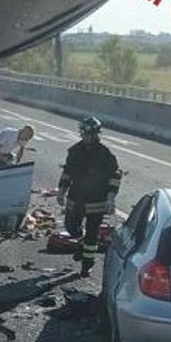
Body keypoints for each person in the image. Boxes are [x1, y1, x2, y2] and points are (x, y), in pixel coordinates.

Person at [56, 117, 121, 277]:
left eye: (89, 134)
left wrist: (110, 197)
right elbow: (67, 172)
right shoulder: (74, 151)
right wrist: (61, 191)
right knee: (71, 227)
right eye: (84, 134)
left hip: (96, 200)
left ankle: (87, 265)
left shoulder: (105, 154)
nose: (86, 137)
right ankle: (81, 242)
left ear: (96, 134)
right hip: (76, 197)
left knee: (92, 235)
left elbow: (114, 176)